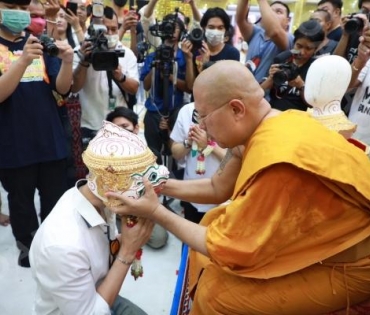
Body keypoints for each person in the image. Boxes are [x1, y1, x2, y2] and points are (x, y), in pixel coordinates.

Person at [106, 60, 370, 314]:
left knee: (217, 297)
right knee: (209, 229)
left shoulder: (278, 158)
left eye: (205, 117)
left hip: (354, 263)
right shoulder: (266, 125)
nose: (202, 129)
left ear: (236, 109)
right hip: (325, 239)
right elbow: (216, 187)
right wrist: (160, 185)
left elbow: (226, 248)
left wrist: (155, 212)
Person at [29, 121, 167, 314]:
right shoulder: (62, 247)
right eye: (140, 186)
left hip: (98, 289)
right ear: (111, 183)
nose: (145, 195)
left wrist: (126, 240)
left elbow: (103, 248)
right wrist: (127, 251)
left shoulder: (100, 199)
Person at [0, 0, 73, 267]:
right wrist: (21, 61)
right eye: (11, 5)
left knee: (54, 199)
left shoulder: (42, 45)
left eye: (22, 6)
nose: (18, 12)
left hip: (49, 140)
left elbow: (62, 89)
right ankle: (27, 244)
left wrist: (67, 63)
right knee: (20, 202)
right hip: (13, 144)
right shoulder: (24, 49)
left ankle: (52, 243)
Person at [71, 7, 139, 150]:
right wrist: (84, 61)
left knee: (121, 169)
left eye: (114, 29)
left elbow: (134, 89)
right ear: (93, 30)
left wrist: (120, 77)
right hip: (91, 126)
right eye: (105, 30)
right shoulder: (80, 51)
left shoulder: (126, 53)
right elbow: (75, 87)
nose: (110, 34)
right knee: (94, 171)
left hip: (120, 126)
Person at [106, 107, 169, 248]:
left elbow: (156, 190)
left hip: (142, 209)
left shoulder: (152, 155)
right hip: (115, 209)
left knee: (159, 239)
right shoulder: (104, 158)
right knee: (107, 238)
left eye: (124, 127)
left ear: (136, 128)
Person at [170, 101, 227, 223]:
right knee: (190, 236)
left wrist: (209, 146)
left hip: (222, 198)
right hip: (191, 192)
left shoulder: (231, 113)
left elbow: (238, 160)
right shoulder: (187, 110)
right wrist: (188, 142)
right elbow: (175, 153)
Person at [262, 20, 325, 112]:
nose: (302, 52)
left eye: (308, 48)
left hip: (298, 118)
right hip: (272, 113)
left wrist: (301, 86)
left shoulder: (316, 68)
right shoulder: (283, 59)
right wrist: (271, 79)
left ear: (316, 49)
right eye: (299, 46)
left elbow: (314, 105)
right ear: (294, 42)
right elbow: (259, 92)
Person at [236, 0, 293, 84]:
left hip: (267, 96)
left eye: (279, 12)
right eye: (269, 11)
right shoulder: (255, 32)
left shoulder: (289, 38)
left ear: (287, 21)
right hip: (246, 91)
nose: (271, 14)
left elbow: (274, 32)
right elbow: (241, 19)